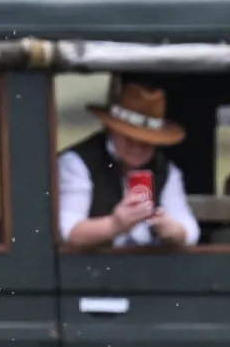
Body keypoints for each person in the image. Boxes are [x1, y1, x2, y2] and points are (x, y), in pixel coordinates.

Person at [58, 79, 200, 250]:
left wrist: (174, 231)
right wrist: (114, 225)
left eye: (146, 142)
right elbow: (68, 231)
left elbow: (190, 230)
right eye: (129, 138)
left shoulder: (166, 170)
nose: (137, 147)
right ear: (113, 129)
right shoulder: (77, 163)